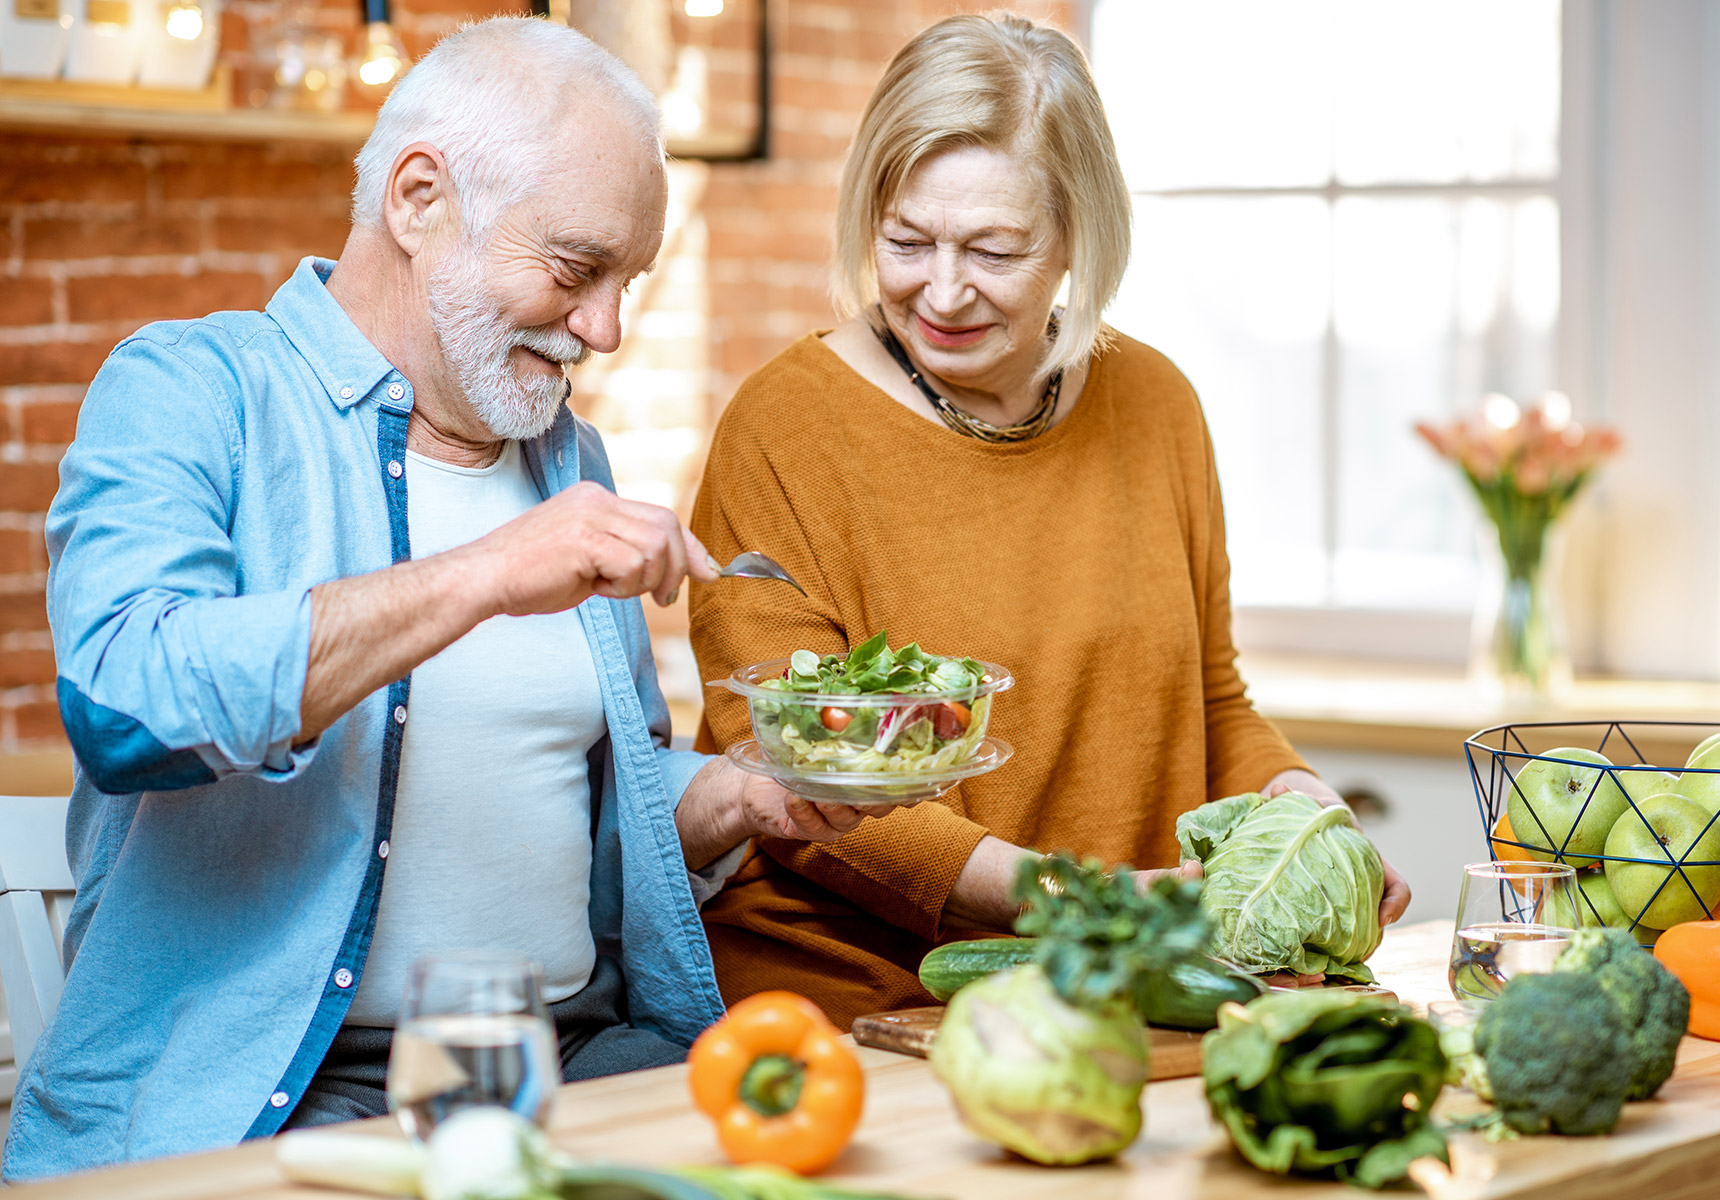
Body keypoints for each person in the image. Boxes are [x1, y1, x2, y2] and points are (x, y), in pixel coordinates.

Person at [4, 17, 880, 1181]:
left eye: (626, 283)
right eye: (575, 271)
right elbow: (126, 705)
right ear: (419, 199)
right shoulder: (192, 389)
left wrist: (740, 797)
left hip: (583, 1060)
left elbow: (570, 823)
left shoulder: (570, 463)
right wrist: (484, 576)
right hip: (289, 1096)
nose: (605, 330)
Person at [688, 13, 1411, 1029]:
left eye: (994, 248)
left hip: (1123, 988)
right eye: (905, 240)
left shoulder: (1157, 404)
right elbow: (787, 777)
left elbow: (1210, 700)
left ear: (1077, 234)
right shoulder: (783, 428)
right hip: (863, 1006)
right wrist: (1079, 900)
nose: (940, 290)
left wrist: (1308, 819)